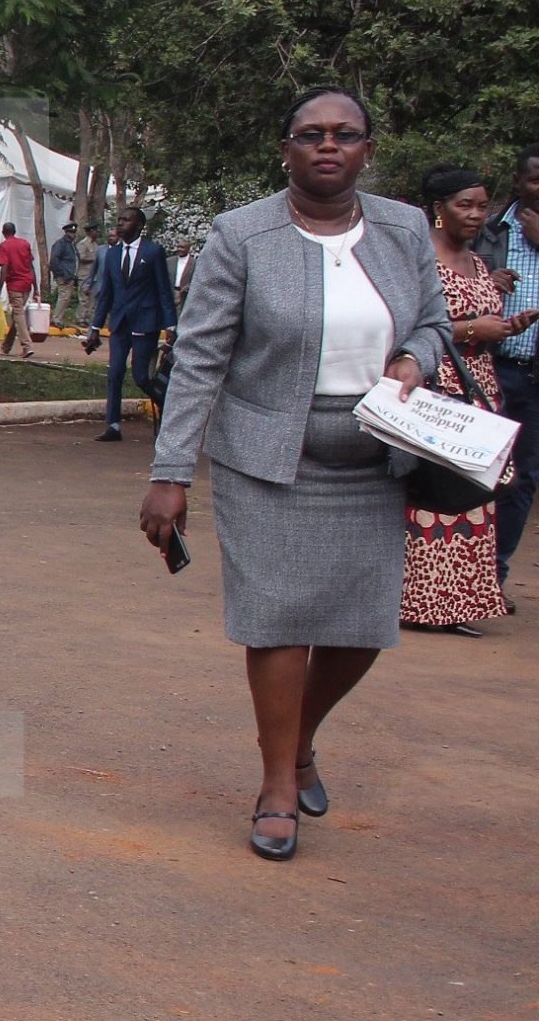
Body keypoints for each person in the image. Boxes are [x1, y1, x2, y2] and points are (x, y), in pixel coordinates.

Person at [140, 86, 449, 861]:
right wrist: (171, 469)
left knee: (361, 626)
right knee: (277, 622)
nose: (328, 146)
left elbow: (433, 323)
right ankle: (279, 782)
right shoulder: (241, 235)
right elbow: (202, 356)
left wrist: (414, 359)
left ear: (367, 149)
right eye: (311, 134)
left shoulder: (405, 227)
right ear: (286, 149)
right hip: (268, 457)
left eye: (346, 134)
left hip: (376, 454)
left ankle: (302, 736)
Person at [400, 168, 535, 634]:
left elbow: (479, 322)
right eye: (465, 205)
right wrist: (476, 329)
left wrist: (504, 327)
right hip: (436, 391)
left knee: (475, 498)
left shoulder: (479, 264)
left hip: (479, 391)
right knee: (432, 496)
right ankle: (418, 603)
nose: (477, 215)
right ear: (438, 210)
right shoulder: (420, 262)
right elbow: (410, 328)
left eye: (481, 205)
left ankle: (456, 604)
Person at [489, 158, 539, 594]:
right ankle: (452, 580)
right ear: (518, 181)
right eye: (536, 178)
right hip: (490, 369)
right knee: (470, 472)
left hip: (535, 381)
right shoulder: (489, 232)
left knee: (522, 478)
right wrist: (488, 280)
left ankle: (494, 578)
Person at [86, 205, 177, 439]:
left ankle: (167, 403)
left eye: (126, 220)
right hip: (120, 323)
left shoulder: (153, 252)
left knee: (140, 376)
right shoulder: (113, 253)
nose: (120, 224)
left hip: (146, 322)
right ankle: (113, 425)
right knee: (114, 372)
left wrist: (171, 325)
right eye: (119, 220)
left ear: (139, 225)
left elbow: (164, 290)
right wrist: (95, 327)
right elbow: (106, 292)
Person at [472, 145, 539, 286]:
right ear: (516, 181)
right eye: (536, 181)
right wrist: (485, 285)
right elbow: (451, 286)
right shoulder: (483, 230)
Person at [0, 220, 38, 359]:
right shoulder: (24, 243)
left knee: (18, 315)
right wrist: (36, 288)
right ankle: (6, 346)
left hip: (14, 285)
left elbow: (4, 268)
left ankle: (27, 346)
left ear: (3, 232)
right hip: (27, 284)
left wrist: (0, 289)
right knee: (17, 316)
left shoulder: (4, 246)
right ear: (14, 231)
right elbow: (31, 266)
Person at [49, 220, 83, 328]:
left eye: (74, 232)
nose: (73, 234)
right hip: (64, 276)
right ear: (66, 232)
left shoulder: (71, 245)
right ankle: (56, 319)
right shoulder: (60, 244)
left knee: (66, 298)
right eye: (71, 232)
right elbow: (54, 259)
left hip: (70, 275)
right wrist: (60, 273)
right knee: (63, 297)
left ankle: (58, 318)